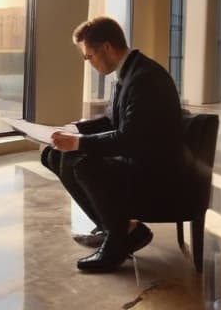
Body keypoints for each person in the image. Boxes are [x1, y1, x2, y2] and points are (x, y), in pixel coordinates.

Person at [41, 16, 185, 272]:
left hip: (155, 171)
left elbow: (128, 139)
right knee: (53, 155)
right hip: (139, 159)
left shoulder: (144, 79)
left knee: (83, 164)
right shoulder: (129, 73)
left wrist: (78, 143)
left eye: (89, 56)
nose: (88, 63)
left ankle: (118, 238)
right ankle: (118, 229)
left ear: (106, 47)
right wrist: (72, 130)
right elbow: (111, 120)